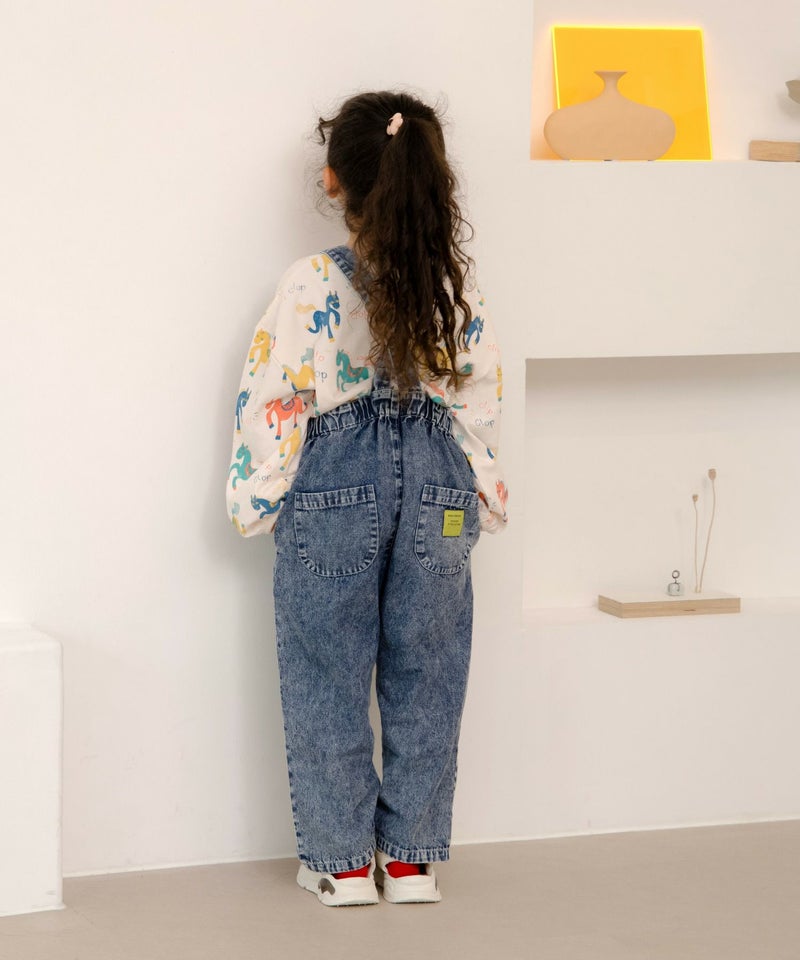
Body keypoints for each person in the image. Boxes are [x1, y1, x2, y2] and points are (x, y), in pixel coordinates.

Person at [226, 90, 508, 906]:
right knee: (431, 667)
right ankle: (412, 863)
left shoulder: (311, 283)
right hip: (439, 486)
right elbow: (479, 398)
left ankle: (343, 864)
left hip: (335, 489)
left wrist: (260, 495)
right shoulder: (452, 288)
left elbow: (275, 397)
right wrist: (482, 491)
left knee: (328, 668)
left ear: (334, 180)